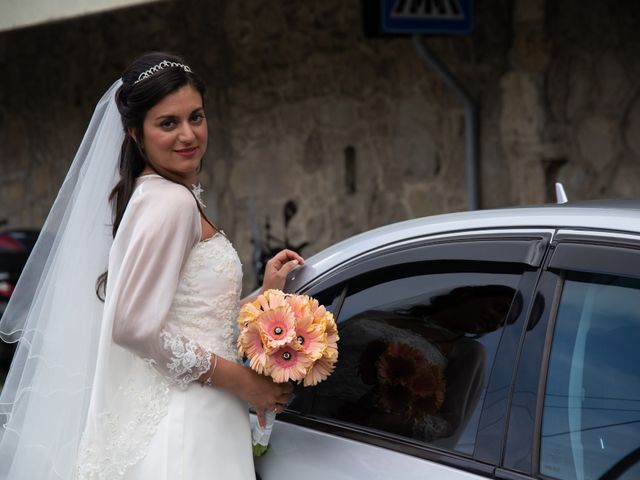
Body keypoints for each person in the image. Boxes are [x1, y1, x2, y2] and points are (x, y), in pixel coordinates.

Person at [0, 52, 301, 479]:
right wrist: (245, 382)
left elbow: (192, 319)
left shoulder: (152, 193)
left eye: (196, 117)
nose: (188, 135)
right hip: (187, 421)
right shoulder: (171, 202)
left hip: (194, 412)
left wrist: (266, 294)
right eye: (168, 123)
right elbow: (133, 327)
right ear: (135, 134)